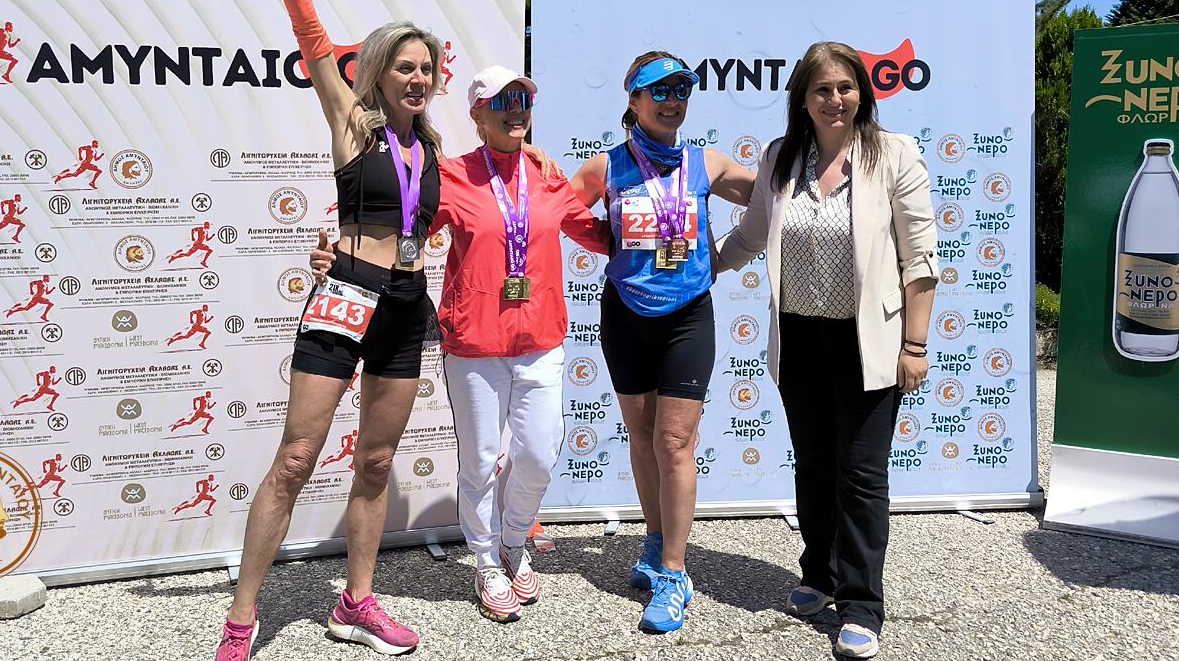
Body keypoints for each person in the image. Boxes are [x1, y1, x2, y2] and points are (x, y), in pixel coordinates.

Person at [216, 0, 451, 655]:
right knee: (294, 459)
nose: (417, 78)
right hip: (346, 294)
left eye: (427, 69)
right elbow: (308, 28)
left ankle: (356, 602)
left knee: (376, 460)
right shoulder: (354, 122)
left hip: (406, 303)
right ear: (379, 71)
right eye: (405, 66)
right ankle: (242, 616)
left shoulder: (433, 147)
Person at [309, 66, 611, 623]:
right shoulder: (450, 176)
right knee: (479, 461)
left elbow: (591, 232)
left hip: (541, 341)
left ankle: (514, 541)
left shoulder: (547, 176)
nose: (516, 109)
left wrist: (653, 236)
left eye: (523, 100)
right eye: (502, 102)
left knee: (538, 455)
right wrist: (343, 257)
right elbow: (403, 232)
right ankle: (487, 562)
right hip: (474, 344)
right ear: (477, 115)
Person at [714, 41, 938, 659]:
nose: (834, 99)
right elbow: (752, 233)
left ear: (862, 93)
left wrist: (915, 345)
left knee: (860, 475)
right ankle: (818, 572)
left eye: (845, 87)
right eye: (822, 89)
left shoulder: (894, 154)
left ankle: (861, 605)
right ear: (802, 99)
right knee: (813, 465)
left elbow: (920, 259)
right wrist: (700, 266)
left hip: (869, 340)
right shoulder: (781, 158)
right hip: (799, 338)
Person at [568, 51, 755, 633]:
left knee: (675, 441)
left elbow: (772, 196)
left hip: (687, 316)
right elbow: (557, 211)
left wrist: (729, 255)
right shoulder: (607, 166)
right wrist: (605, 240)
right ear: (633, 100)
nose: (673, 101)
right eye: (660, 91)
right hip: (626, 313)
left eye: (682, 91)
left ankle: (675, 571)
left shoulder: (706, 162)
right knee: (643, 434)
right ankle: (653, 540)